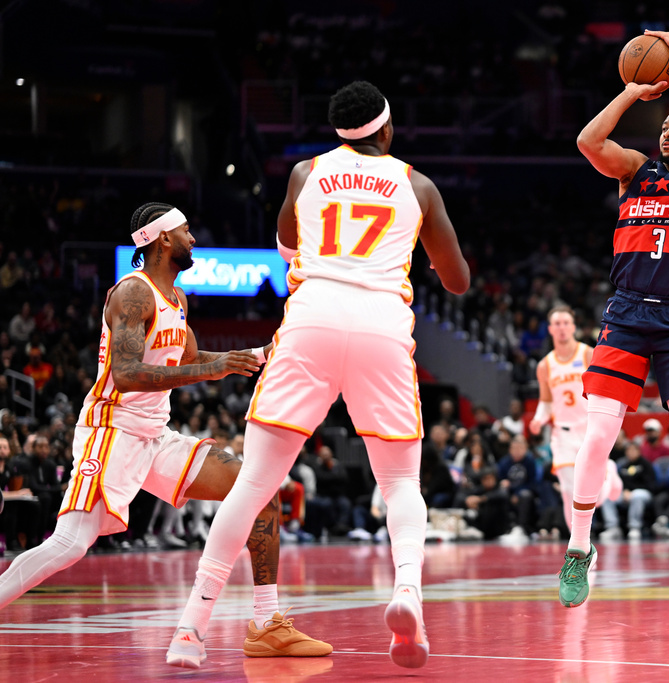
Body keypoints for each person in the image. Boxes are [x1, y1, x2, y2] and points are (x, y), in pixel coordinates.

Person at [168, 80, 470, 670]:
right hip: (382, 321)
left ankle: (191, 627)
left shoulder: (306, 172)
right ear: (386, 129)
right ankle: (407, 590)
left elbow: (285, 242)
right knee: (401, 484)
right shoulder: (419, 185)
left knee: (254, 483)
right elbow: (456, 280)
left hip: (313, 316)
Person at [0, 202, 331, 662]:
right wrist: (217, 366)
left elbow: (194, 362)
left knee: (258, 488)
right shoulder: (134, 294)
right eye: (187, 231)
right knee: (70, 544)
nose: (194, 239)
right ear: (162, 239)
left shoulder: (177, 298)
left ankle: (267, 622)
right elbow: (129, 372)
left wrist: (260, 353)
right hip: (112, 430)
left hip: (156, 434)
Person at [557, 29, 669, 618]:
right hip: (627, 314)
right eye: (666, 124)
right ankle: (580, 548)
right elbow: (587, 141)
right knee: (597, 438)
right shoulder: (635, 171)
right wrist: (633, 92)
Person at [528, 306, 622, 536]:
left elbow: (605, 389)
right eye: (557, 324)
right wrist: (538, 419)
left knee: (595, 496)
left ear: (573, 327)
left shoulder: (588, 354)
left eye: (565, 323)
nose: (561, 328)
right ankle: (579, 549)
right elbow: (546, 401)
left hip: (590, 429)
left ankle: (608, 471)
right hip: (563, 434)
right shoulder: (545, 365)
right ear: (550, 329)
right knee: (569, 491)